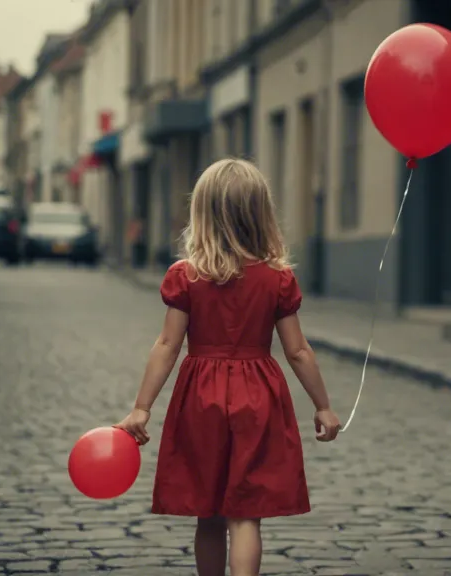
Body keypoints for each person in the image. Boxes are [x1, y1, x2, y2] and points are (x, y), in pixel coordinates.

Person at [115, 158, 342, 576]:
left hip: (200, 397)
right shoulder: (277, 279)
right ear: (261, 214)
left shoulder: (186, 275)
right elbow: (298, 351)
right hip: (260, 396)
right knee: (246, 514)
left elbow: (168, 343)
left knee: (209, 512)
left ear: (201, 212)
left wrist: (142, 407)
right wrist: (323, 406)